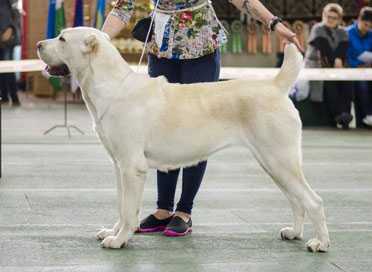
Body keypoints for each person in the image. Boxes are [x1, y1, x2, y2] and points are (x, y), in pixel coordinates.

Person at [102, 0, 301, 236]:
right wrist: (97, 40)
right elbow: (124, 7)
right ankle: (163, 209)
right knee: (161, 128)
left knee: (198, 126)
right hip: (162, 48)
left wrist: (273, 23)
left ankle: (184, 211)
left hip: (201, 45)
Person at [304, 3, 352, 129]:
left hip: (335, 66)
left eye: (334, 17)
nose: (330, 20)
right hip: (316, 65)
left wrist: (337, 60)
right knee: (330, 81)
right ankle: (337, 114)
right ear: (323, 16)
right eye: (328, 16)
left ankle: (345, 114)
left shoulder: (343, 32)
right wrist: (336, 60)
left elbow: (342, 50)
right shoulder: (317, 29)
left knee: (347, 81)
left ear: (340, 19)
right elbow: (324, 50)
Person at [346, 7, 372, 127]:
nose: (367, 26)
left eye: (370, 24)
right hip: (352, 69)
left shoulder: (371, 35)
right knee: (362, 84)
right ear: (359, 20)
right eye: (365, 23)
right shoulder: (347, 33)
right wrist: (357, 65)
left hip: (368, 69)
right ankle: (368, 115)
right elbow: (345, 54)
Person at [0, 0, 21, 106]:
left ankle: (14, 98)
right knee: (1, 70)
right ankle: (4, 97)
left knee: (8, 69)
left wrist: (10, 28)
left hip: (8, 38)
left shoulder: (9, 2)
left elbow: (15, 15)